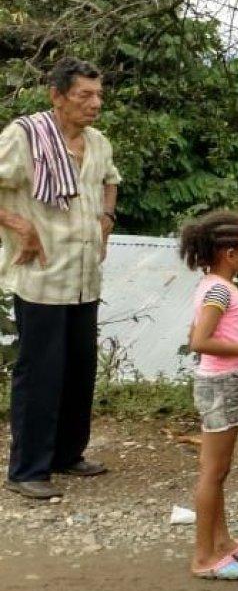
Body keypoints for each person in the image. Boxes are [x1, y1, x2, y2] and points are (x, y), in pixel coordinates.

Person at [0, 58, 118, 500]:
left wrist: (107, 215)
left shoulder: (98, 142)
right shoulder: (24, 136)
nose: (95, 104)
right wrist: (19, 224)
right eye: (84, 95)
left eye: (98, 95)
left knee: (79, 368)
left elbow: (110, 180)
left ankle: (68, 454)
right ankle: (27, 469)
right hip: (42, 274)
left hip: (84, 275)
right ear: (57, 96)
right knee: (40, 372)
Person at [180, 211, 238, 580]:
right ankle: (203, 557)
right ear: (229, 254)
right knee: (213, 472)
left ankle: (222, 542)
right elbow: (199, 341)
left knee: (218, 471)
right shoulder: (219, 289)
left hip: (225, 383)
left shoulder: (212, 286)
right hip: (220, 384)